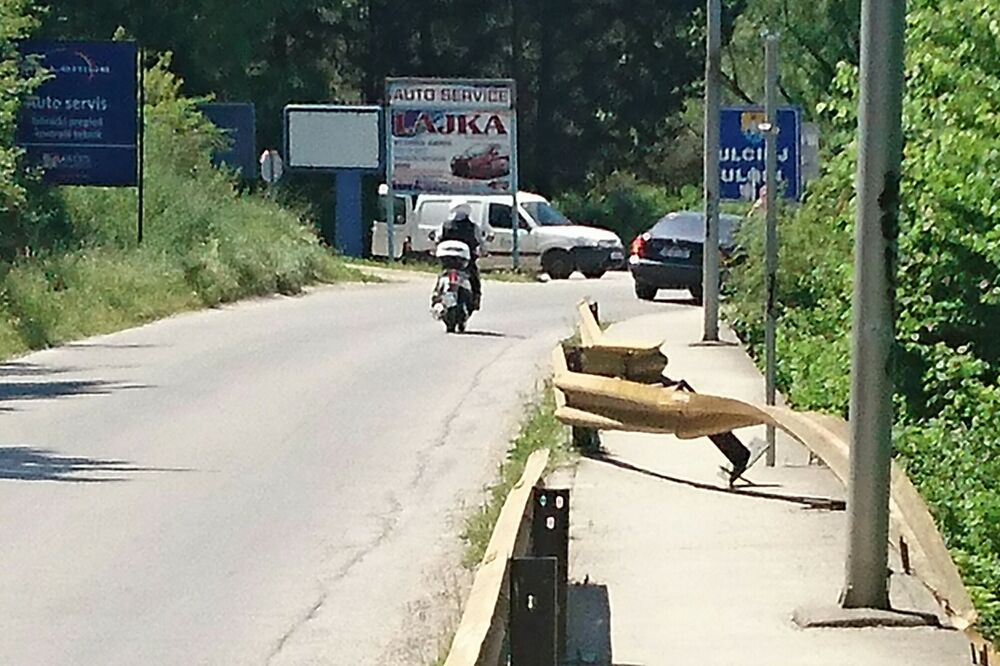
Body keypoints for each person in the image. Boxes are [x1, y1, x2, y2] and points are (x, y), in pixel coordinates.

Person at [437, 200, 485, 310]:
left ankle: (436, 297)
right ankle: (475, 299)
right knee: (474, 279)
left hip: (448, 261)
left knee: (442, 275)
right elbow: (480, 243)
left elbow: (437, 238)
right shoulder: (473, 227)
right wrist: (482, 251)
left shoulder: (445, 225)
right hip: (466, 262)